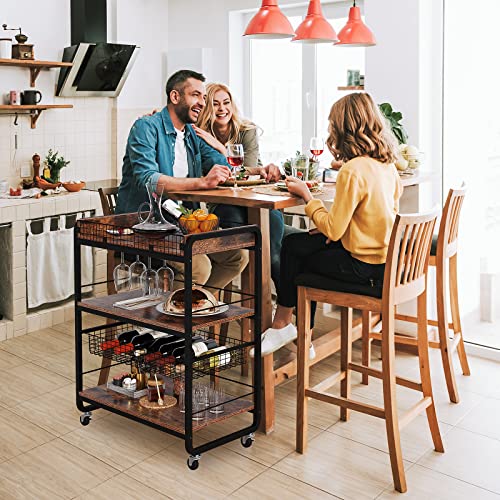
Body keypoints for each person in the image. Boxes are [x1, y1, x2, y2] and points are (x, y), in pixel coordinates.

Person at [252, 92, 404, 356]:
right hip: (384, 262)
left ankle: (288, 328)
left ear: (343, 128)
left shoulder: (353, 170)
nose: (329, 129)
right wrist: (335, 231)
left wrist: (307, 196)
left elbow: (333, 228)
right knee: (297, 244)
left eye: (331, 124)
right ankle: (297, 334)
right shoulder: (387, 165)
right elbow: (376, 215)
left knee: (295, 254)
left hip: (362, 268)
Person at [115, 69, 248, 290]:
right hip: (147, 225)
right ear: (175, 97)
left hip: (185, 225)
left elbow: (226, 169)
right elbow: (148, 179)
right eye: (195, 95)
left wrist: (220, 148)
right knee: (200, 268)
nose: (202, 103)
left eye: (204, 98)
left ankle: (194, 309)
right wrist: (202, 182)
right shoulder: (146, 127)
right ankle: (176, 318)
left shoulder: (192, 134)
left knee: (238, 256)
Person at [193, 82, 286, 286]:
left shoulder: (246, 130)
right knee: (251, 245)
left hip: (255, 199)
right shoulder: (198, 134)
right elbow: (222, 177)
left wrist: (219, 148)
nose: (222, 109)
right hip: (224, 203)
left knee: (272, 252)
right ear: (207, 107)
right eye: (215, 104)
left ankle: (281, 309)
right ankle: (254, 308)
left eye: (226, 102)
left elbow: (243, 171)